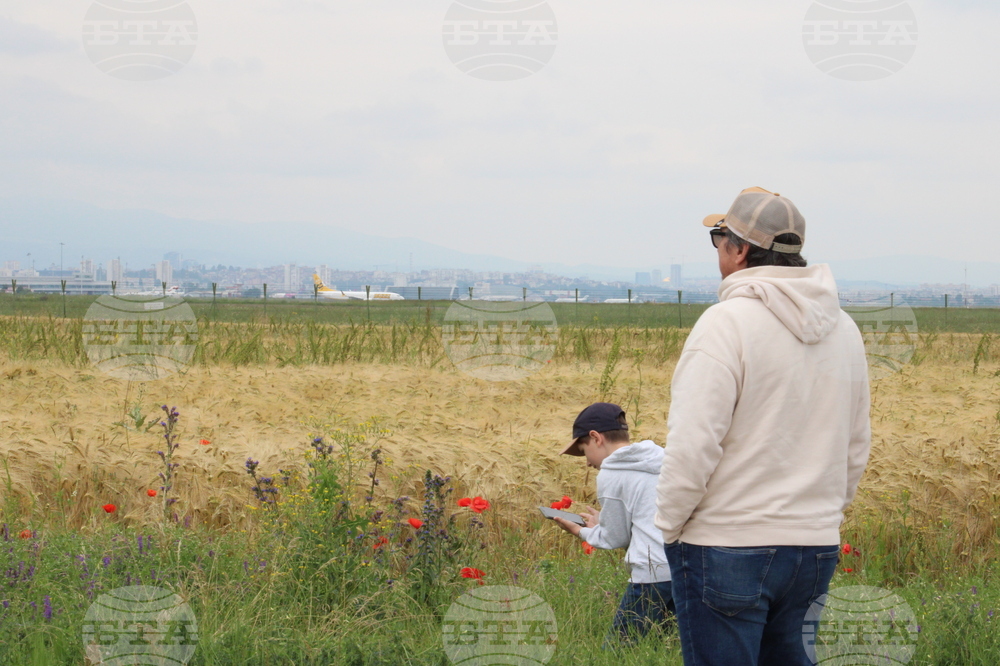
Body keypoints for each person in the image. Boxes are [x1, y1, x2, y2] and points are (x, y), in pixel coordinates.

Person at [655, 187, 872, 666]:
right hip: (814, 546)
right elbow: (856, 446)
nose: (718, 250)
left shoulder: (725, 324)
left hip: (725, 544)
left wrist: (668, 528)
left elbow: (693, 445)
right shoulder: (845, 330)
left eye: (719, 239)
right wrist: (822, 516)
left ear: (739, 251)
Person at [553, 402, 674, 645]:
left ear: (596, 438)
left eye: (584, 450)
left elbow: (615, 538)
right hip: (684, 568)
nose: (587, 463)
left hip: (650, 575)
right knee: (670, 646)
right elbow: (647, 517)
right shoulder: (663, 460)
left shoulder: (611, 473)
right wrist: (604, 522)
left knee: (617, 649)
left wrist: (581, 531)